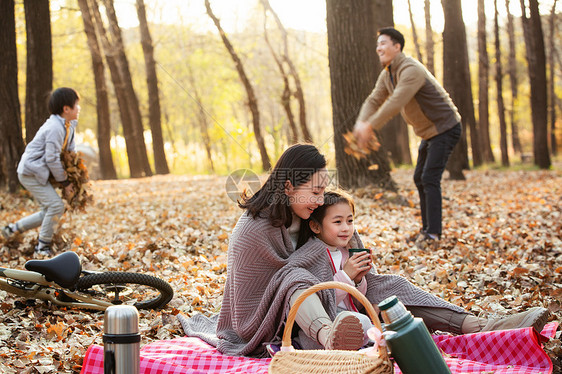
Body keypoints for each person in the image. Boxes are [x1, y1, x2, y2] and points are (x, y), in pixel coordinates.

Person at [178, 143, 550, 358]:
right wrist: (332, 278)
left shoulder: (310, 213)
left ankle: (481, 326)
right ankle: (330, 336)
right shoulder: (254, 229)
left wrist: (352, 265)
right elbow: (251, 299)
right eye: (315, 192)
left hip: (335, 297)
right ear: (289, 187)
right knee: (293, 278)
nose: (321, 200)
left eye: (325, 192)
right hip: (272, 319)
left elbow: (339, 241)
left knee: (390, 286)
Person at [353, 27, 462, 247]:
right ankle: (426, 230)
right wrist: (361, 124)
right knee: (419, 178)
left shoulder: (411, 69)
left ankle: (433, 234)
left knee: (429, 178)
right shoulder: (387, 74)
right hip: (429, 133)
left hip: (445, 127)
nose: (379, 48)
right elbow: (374, 100)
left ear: (397, 46)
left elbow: (396, 103)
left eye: (383, 43)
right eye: (377, 44)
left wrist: (370, 126)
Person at [2, 87, 80, 256]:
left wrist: (74, 177)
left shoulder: (69, 125)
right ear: (66, 109)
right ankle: (42, 247)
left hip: (39, 172)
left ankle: (11, 229)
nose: (78, 108)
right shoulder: (54, 128)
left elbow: (69, 153)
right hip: (30, 172)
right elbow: (52, 158)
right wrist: (65, 183)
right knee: (56, 206)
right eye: (76, 105)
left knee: (49, 210)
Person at [300, 189, 377, 347]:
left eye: (350, 221)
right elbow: (322, 299)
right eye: (337, 222)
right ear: (316, 227)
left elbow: (356, 300)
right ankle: (305, 343)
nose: (346, 228)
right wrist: (346, 275)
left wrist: (358, 279)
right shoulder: (312, 255)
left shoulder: (344, 253)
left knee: (383, 311)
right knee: (362, 323)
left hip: (348, 316)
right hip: (325, 320)